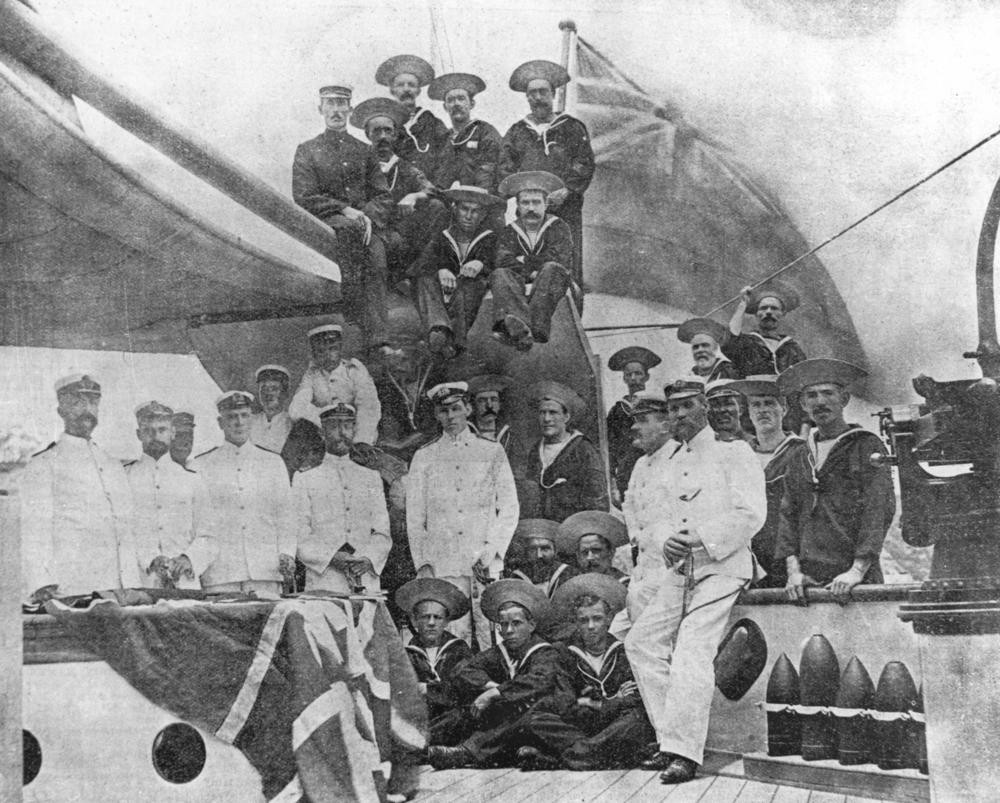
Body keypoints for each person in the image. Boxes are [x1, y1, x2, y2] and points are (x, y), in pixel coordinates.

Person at [624, 377, 765, 784]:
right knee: (641, 642)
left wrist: (701, 538)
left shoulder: (732, 452)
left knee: (691, 649)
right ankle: (671, 737)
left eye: (687, 406)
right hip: (680, 570)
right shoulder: (668, 462)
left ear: (704, 406)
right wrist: (665, 539)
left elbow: (751, 513)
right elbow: (657, 519)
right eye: (673, 409)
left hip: (723, 566)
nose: (680, 415)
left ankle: (684, 753)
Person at [406, 382, 519, 649]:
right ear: (436, 415)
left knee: (491, 635)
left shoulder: (491, 451)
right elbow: (414, 517)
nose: (451, 417)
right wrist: (424, 562)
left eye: (456, 409)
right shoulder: (424, 456)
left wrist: (492, 551)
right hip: (443, 562)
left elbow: (509, 507)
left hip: (483, 560)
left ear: (468, 409)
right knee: (453, 637)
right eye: (444, 411)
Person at [775, 359, 895, 603]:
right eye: (812, 395)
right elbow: (788, 513)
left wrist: (857, 570)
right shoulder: (799, 454)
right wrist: (794, 572)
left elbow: (878, 508)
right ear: (803, 404)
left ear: (844, 399)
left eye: (828, 393)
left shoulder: (865, 445)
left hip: (854, 579)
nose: (820, 402)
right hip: (807, 581)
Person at [292, 84, 396, 354]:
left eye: (342, 105)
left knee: (376, 256)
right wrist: (345, 210)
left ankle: (378, 339)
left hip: (363, 224)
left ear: (349, 110)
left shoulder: (364, 150)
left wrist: (367, 216)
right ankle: (352, 326)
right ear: (321, 109)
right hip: (328, 222)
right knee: (350, 247)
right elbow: (304, 195)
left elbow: (383, 195)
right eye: (330, 105)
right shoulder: (308, 150)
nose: (336, 111)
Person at [20, 374, 142, 602]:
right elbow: (34, 531)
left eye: (93, 402)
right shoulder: (44, 464)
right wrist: (42, 583)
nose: (87, 409)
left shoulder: (112, 465)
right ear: (61, 410)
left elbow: (126, 528)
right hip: (72, 588)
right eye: (77, 402)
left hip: (117, 589)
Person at [426, 579, 571, 769]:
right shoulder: (500, 652)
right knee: (466, 709)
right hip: (505, 729)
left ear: (532, 625)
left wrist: (496, 693)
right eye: (503, 624)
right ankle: (416, 747)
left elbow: (539, 681)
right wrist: (490, 687)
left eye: (516, 623)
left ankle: (465, 753)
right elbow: (462, 670)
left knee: (517, 713)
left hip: (537, 721)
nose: (509, 631)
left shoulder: (546, 652)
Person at [520, 573, 653, 771]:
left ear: (609, 619)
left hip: (615, 723)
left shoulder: (623, 651)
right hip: (581, 724)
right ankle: (600, 753)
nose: (591, 626)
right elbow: (566, 705)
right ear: (576, 622)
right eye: (584, 620)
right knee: (536, 719)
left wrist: (595, 703)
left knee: (636, 718)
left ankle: (565, 757)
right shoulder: (564, 653)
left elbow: (635, 698)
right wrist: (614, 700)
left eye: (597, 619)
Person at [501, 59, 594, 293]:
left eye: (543, 92)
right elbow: (504, 166)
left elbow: (584, 162)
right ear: (527, 98)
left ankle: (570, 314)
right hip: (529, 207)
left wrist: (568, 190)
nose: (538, 97)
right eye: (532, 93)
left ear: (553, 95)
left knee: (565, 262)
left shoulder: (571, 127)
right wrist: (519, 192)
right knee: (527, 259)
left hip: (564, 207)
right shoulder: (517, 132)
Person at [194, 391, 296, 597]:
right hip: (221, 574)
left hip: (265, 572)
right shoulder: (201, 465)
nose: (239, 422)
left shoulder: (272, 462)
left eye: (244, 415)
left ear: (251, 419)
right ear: (220, 423)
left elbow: (286, 516)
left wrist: (286, 553)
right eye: (232, 417)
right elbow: (197, 521)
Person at [292, 403, 391, 593]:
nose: (342, 432)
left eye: (347, 425)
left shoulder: (371, 477)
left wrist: (368, 558)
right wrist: (331, 557)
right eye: (334, 426)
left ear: (354, 429)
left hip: (364, 576)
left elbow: (382, 530)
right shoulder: (304, 479)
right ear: (322, 432)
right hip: (325, 577)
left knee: (364, 622)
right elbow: (300, 535)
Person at [350, 96, 447, 278]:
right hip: (371, 230)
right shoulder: (358, 165)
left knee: (436, 207)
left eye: (388, 131)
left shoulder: (404, 167)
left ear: (395, 135)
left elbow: (431, 189)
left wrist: (414, 196)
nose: (383, 137)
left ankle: (418, 271)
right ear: (367, 134)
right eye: (377, 131)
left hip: (400, 235)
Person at [126, 401, 215, 590]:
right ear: (139, 434)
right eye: (148, 430)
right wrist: (150, 559)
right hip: (141, 581)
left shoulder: (192, 480)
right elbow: (121, 532)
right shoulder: (124, 478)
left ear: (173, 432)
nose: (156, 436)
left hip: (184, 581)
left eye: (162, 430)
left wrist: (189, 559)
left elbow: (209, 534)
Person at [728, 376, 806, 588]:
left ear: (784, 408)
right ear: (748, 413)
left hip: (788, 558)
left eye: (770, 403)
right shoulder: (741, 455)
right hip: (748, 561)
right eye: (756, 405)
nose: (763, 410)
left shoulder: (800, 451)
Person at [409, 184, 502, 357]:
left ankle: (454, 343)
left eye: (475, 211)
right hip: (442, 293)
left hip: (469, 294)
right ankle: (439, 329)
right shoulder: (443, 235)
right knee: (423, 280)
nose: (468, 216)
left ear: (483, 215)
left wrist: (481, 264)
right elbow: (422, 263)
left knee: (471, 285)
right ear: (455, 209)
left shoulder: (490, 238)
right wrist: (442, 269)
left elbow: (501, 261)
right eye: (464, 209)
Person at [491, 171, 574, 351]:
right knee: (499, 274)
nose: (530, 208)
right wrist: (533, 269)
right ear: (518, 206)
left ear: (545, 204)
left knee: (552, 268)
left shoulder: (559, 227)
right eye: (525, 202)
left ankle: (536, 328)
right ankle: (519, 328)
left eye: (536, 202)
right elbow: (502, 260)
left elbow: (559, 257)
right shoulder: (509, 231)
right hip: (522, 281)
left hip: (553, 282)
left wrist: (523, 261)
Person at [396, 577, 474, 744]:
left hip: (451, 718)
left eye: (437, 618)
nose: (431, 623)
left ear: (446, 622)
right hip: (422, 717)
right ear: (415, 621)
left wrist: (427, 689)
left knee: (460, 716)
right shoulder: (407, 654)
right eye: (425, 617)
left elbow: (462, 689)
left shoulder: (459, 649)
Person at [521, 381, 608, 522]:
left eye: (553, 412)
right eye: (542, 413)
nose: (547, 419)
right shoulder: (535, 451)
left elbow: (597, 502)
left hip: (574, 530)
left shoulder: (583, 450)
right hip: (542, 532)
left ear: (566, 417)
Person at [289, 324, 382, 446]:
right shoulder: (311, 375)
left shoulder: (354, 371)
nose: (328, 355)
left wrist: (361, 440)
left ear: (340, 349)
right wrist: (329, 424)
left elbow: (368, 408)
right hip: (325, 437)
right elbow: (297, 408)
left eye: (332, 348)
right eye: (321, 351)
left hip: (356, 437)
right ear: (314, 354)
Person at [429, 72, 503, 196]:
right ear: (445, 107)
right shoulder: (443, 138)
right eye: (451, 100)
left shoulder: (485, 131)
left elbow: (490, 170)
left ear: (471, 104)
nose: (456, 104)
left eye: (461, 98)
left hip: (481, 197)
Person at [375, 54, 448, 178]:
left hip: (431, 191)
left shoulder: (434, 124)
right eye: (400, 85)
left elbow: (447, 161)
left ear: (418, 91)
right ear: (392, 90)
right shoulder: (383, 126)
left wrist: (434, 190)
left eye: (411, 85)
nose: (406, 89)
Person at [605, 346, 661, 505]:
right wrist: (613, 479)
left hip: (654, 467)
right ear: (624, 379)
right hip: (626, 471)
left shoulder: (655, 406)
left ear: (647, 377)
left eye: (638, 374)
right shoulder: (617, 410)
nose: (634, 378)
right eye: (629, 374)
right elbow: (610, 446)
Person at [373, 343, 444, 463]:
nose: (398, 366)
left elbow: (432, 427)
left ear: (418, 361)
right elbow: (389, 419)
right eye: (394, 361)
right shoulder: (389, 387)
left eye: (404, 360)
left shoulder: (434, 382)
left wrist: (401, 444)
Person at [505, 518, 575, 597]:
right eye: (533, 549)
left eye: (545, 549)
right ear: (525, 552)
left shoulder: (568, 573)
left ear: (555, 551)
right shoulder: (517, 578)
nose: (539, 555)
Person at [554, 510, 630, 583]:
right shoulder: (575, 585)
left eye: (596, 550)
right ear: (578, 556)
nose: (590, 557)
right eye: (584, 552)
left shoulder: (625, 583)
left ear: (611, 552)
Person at [677, 317, 737, 383]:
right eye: (695, 347)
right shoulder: (691, 374)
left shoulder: (728, 371)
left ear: (715, 348)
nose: (700, 350)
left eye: (705, 345)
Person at [249, 365, 293, 454]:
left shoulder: (293, 425)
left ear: (285, 393)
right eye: (263, 389)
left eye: (274, 389)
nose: (268, 394)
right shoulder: (248, 421)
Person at [706, 379, 752, 443]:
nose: (722, 410)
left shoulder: (755, 443)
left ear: (741, 409)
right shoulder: (706, 444)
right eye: (716, 405)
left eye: (728, 404)